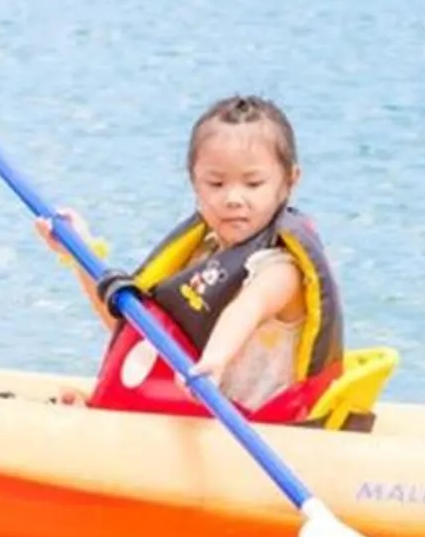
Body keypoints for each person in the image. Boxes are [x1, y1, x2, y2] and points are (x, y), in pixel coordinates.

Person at [49, 95, 350, 423]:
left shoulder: (282, 269)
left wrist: (214, 361)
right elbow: (137, 331)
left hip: (252, 427)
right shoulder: (202, 256)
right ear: (194, 182)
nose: (233, 198)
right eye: (216, 183)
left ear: (290, 181)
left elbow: (247, 307)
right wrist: (79, 251)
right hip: (196, 416)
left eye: (253, 184)